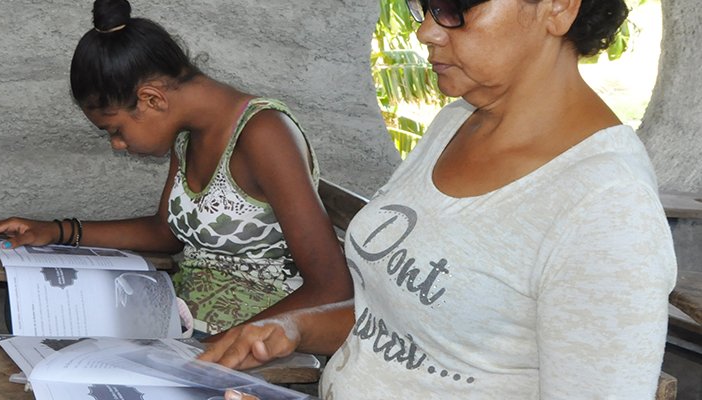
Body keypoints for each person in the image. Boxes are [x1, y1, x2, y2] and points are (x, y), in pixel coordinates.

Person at [200, 0, 678, 399]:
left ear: (558, 8)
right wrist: (297, 328)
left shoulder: (607, 208)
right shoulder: (456, 123)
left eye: (455, 8)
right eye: (424, 6)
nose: (426, 31)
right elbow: (407, 320)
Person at [0, 0, 352, 399]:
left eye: (115, 129)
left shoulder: (265, 133)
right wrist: (57, 231)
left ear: (153, 99)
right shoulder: (189, 134)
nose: (118, 145)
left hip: (238, 351)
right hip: (178, 324)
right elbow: (167, 231)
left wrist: (229, 344)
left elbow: (331, 288)